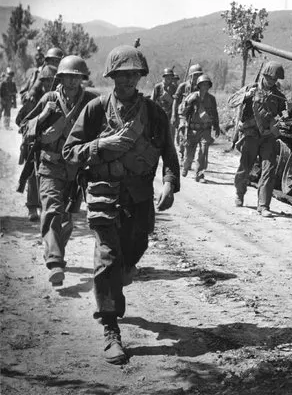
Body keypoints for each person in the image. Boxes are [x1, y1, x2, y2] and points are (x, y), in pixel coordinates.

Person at [62, 45, 180, 365]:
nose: (127, 80)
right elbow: (70, 152)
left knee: (134, 248)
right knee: (107, 257)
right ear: (111, 76)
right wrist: (102, 145)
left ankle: (124, 272)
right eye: (121, 74)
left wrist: (169, 183)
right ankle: (111, 328)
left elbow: (169, 153)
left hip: (139, 197)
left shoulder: (154, 113)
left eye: (133, 74)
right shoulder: (96, 110)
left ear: (140, 77)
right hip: (102, 193)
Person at [21, 56, 97, 286]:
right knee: (52, 210)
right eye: (67, 77)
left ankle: (55, 252)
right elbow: (25, 126)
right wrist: (44, 115)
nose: (72, 82)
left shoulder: (91, 102)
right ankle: (54, 261)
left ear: (82, 79)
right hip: (49, 166)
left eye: (77, 77)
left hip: (75, 171)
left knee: (67, 221)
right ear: (60, 78)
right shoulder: (49, 99)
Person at [232, 61, 288, 217]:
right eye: (270, 78)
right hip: (250, 135)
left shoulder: (278, 95)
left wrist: (284, 117)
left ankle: (263, 205)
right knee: (245, 168)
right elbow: (231, 102)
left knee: (269, 170)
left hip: (268, 137)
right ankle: (239, 192)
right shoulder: (251, 88)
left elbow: (284, 114)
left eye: (275, 79)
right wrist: (246, 96)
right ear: (265, 75)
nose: (272, 81)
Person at [16, 64, 58, 222]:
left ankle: (46, 206)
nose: (49, 84)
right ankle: (33, 207)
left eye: (52, 81)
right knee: (32, 175)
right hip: (34, 142)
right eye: (46, 81)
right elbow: (21, 122)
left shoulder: (59, 96)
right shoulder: (34, 97)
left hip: (52, 143)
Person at [181, 74, 220, 181]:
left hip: (205, 129)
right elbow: (183, 112)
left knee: (203, 151)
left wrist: (216, 126)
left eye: (207, 85)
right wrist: (189, 102)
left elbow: (215, 113)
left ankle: (199, 174)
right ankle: (186, 166)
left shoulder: (212, 99)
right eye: (203, 84)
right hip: (193, 129)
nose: (205, 87)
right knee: (189, 155)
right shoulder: (192, 96)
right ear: (199, 85)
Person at [174, 64, 203, 161]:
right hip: (183, 114)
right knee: (183, 134)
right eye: (195, 75)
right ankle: (182, 154)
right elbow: (176, 100)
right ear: (190, 76)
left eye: (199, 75)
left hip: (194, 115)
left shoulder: (201, 87)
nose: (197, 77)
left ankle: (188, 157)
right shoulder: (183, 86)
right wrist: (174, 115)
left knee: (193, 136)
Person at [151, 67, 177, 142]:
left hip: (170, 114)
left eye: (171, 77)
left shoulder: (174, 88)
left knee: (171, 136)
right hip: (159, 114)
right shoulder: (158, 87)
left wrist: (170, 99)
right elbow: (152, 101)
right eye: (167, 76)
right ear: (164, 77)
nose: (169, 78)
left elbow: (177, 102)